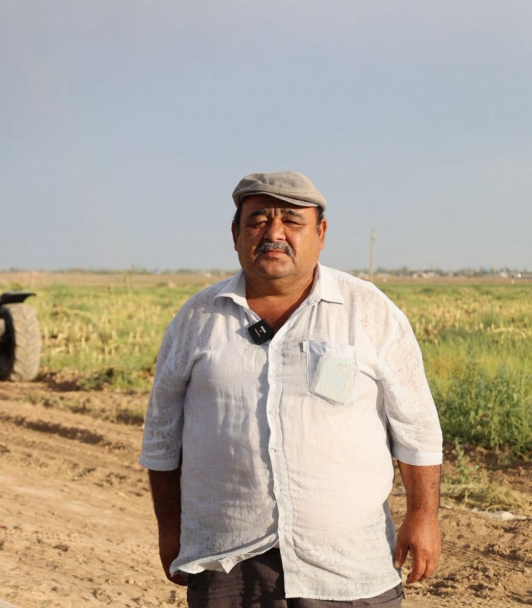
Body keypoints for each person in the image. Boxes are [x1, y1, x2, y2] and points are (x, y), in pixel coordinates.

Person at [140, 171, 442, 607]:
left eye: (292, 222)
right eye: (258, 221)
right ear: (236, 233)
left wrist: (422, 516)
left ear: (320, 233)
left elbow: (417, 426)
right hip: (230, 565)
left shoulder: (370, 311)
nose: (274, 234)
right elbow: (162, 435)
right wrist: (171, 530)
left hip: (349, 569)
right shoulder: (198, 319)